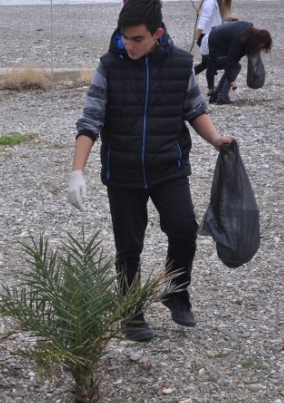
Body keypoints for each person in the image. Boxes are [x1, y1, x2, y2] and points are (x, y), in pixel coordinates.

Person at [67, 0, 233, 342]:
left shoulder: (180, 64)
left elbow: (195, 109)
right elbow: (90, 121)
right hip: (123, 172)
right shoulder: (109, 66)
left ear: (157, 35)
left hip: (167, 167)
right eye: (125, 38)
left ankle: (176, 291)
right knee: (129, 246)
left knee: (185, 229)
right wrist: (77, 172)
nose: (128, 45)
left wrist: (215, 139)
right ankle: (132, 310)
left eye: (137, 39)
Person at [206, 20, 271, 105]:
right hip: (211, 43)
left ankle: (216, 94)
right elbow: (228, 65)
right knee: (234, 67)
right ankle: (222, 96)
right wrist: (234, 87)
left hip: (214, 35)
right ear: (257, 40)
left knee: (235, 66)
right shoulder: (239, 41)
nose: (260, 48)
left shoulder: (248, 28)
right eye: (261, 46)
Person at [194, 0, 232, 97]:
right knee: (210, 62)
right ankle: (211, 89)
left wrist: (228, 19)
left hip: (210, 36)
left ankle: (185, 76)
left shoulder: (215, 2)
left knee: (205, 63)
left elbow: (214, 18)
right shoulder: (210, 2)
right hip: (206, 37)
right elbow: (204, 19)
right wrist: (196, 37)